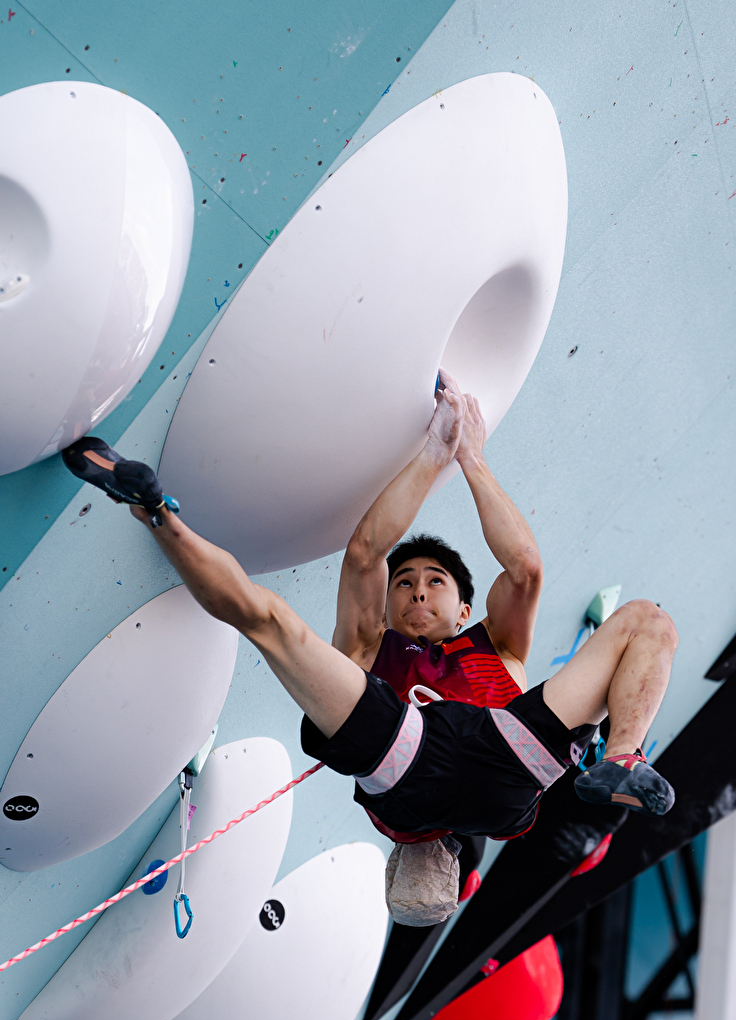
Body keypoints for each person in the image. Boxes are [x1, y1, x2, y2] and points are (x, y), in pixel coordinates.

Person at [63, 371, 678, 925]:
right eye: (404, 584)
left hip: (420, 761)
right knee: (270, 617)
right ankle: (155, 510)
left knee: (271, 622)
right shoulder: (369, 648)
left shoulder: (501, 649)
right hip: (489, 762)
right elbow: (365, 555)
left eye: (435, 583)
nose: (416, 592)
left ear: (466, 611)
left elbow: (525, 570)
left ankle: (151, 509)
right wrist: (434, 453)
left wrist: (472, 458)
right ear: (386, 605)